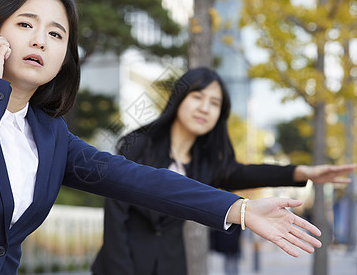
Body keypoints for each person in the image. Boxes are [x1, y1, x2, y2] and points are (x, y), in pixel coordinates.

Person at [0, 0, 324, 275]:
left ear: (63, 60)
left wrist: (242, 209)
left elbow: (139, 180)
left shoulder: (49, 136)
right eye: (25, 24)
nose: (40, 40)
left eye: (56, 34)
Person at [91, 67, 354, 275]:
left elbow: (247, 173)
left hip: (171, 266)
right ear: (179, 99)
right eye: (197, 97)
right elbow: (115, 219)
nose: (205, 107)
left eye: (214, 103)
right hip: (120, 264)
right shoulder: (137, 144)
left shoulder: (205, 163)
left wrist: (304, 172)